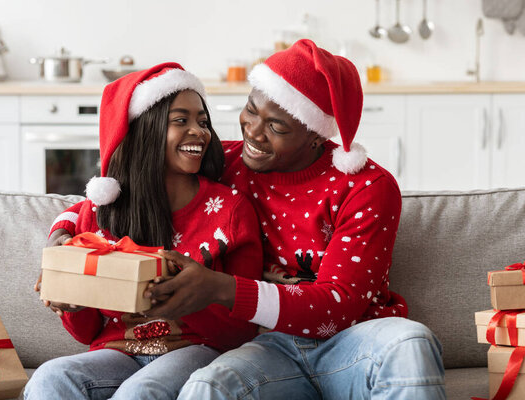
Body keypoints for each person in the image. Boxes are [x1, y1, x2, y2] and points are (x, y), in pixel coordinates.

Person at [145, 40, 446, 399]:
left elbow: (340, 304)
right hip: (269, 346)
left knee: (411, 341)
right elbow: (136, 179)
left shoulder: (367, 186)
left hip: (354, 340)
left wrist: (220, 288)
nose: (254, 131)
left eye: (277, 126)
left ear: (316, 136)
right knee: (207, 385)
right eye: (251, 110)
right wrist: (65, 228)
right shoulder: (224, 163)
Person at [25, 63, 263, 400]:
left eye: (203, 121)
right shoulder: (101, 212)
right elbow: (86, 332)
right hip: (118, 350)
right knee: (50, 377)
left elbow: (240, 329)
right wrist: (71, 303)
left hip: (198, 349)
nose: (199, 132)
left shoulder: (230, 210)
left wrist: (185, 299)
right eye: (180, 120)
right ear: (145, 131)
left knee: (141, 391)